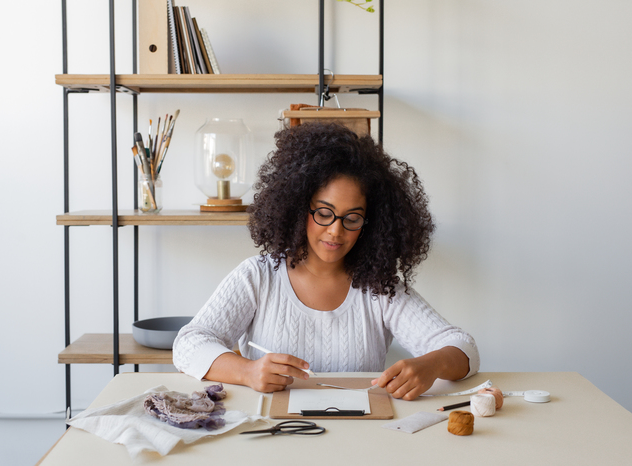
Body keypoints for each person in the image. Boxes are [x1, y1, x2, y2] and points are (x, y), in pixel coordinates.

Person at [173, 123, 479, 400]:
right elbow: (188, 344)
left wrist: (431, 363)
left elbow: (464, 348)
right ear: (297, 207)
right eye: (323, 213)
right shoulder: (257, 277)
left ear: (370, 224)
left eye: (352, 218)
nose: (336, 230)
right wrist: (247, 371)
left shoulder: (380, 289)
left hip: (359, 437)